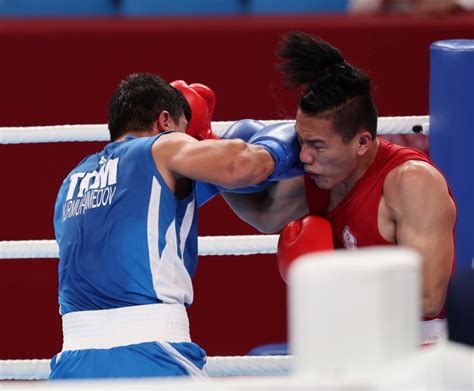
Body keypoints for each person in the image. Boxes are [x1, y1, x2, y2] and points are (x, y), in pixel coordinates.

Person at [50, 73, 300, 379]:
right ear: (165, 121)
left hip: (72, 363)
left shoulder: (72, 182)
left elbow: (262, 210)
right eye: (185, 132)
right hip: (150, 352)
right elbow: (242, 166)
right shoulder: (162, 148)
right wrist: (284, 144)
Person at [211, 32, 456, 343]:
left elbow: (429, 297)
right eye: (300, 141)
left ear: (362, 143)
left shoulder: (411, 182)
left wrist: (331, 279)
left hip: (415, 345)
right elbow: (266, 215)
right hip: (352, 340)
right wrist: (215, 164)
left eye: (317, 145)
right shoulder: (321, 174)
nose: (303, 155)